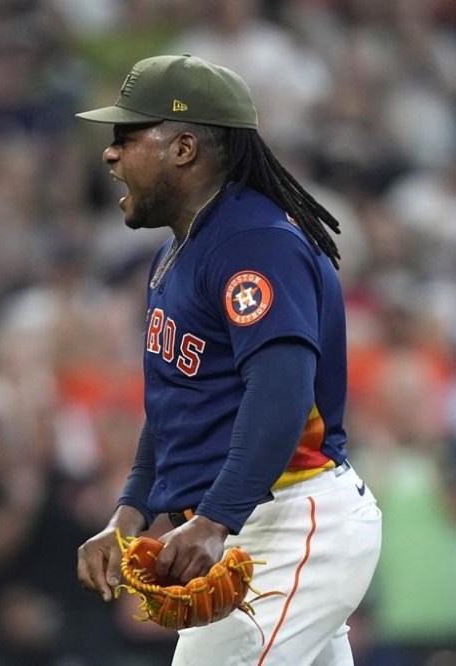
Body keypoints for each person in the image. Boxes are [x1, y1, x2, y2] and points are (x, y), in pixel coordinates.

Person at [75, 54, 382, 665]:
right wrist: (130, 513)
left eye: (127, 136)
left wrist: (214, 520)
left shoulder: (254, 242)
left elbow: (282, 394)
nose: (110, 154)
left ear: (183, 146)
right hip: (256, 520)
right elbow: (178, 409)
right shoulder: (186, 248)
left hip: (288, 524)